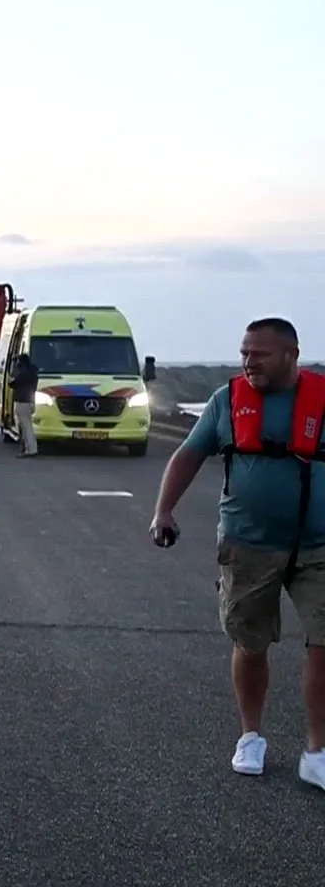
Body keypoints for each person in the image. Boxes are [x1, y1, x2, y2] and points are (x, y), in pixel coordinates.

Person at [149, 317, 325, 791]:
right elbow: (188, 454)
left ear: (292, 354)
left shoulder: (322, 399)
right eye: (245, 352)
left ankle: (317, 751)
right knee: (250, 643)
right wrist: (164, 510)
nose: (249, 362)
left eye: (260, 354)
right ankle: (251, 736)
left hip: (319, 545)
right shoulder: (226, 401)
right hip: (248, 544)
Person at [8, 350, 40, 456]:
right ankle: (32, 448)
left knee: (25, 428)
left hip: (22, 401)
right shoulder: (33, 372)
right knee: (29, 426)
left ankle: (29, 450)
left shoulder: (23, 373)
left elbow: (12, 383)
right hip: (30, 401)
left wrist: (14, 367)